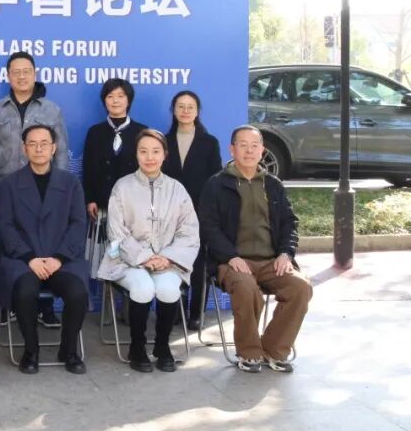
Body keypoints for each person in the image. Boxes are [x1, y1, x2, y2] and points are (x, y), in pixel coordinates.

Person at [199, 125, 312, 373]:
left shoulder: (272, 184)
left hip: (272, 261)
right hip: (232, 262)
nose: (249, 151)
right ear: (232, 149)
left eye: (254, 146)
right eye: (243, 145)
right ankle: (249, 353)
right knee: (247, 288)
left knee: (300, 288)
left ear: (262, 150)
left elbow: (290, 223)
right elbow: (208, 227)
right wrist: (230, 256)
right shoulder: (217, 184)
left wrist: (286, 253)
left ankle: (274, 350)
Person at [97, 129, 199, 373]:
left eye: (155, 151)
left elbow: (189, 232)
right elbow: (116, 234)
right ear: (136, 154)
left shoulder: (177, 189)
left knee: (168, 289)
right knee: (143, 288)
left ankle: (162, 347)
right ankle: (137, 347)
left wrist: (167, 257)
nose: (149, 157)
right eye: (143, 151)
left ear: (165, 154)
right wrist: (143, 258)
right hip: (126, 260)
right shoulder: (122, 187)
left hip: (168, 260)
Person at [0, 51, 69, 327]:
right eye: (16, 72)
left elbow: (62, 152)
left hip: (45, 189)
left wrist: (61, 189)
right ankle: (6, 306)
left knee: (45, 244)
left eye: (26, 71)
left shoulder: (51, 110)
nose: (21, 76)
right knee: (7, 247)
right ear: (8, 76)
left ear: (34, 73)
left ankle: (45, 307)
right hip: (6, 190)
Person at [0, 125, 89, 375]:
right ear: (24, 148)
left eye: (44, 143)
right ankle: (31, 351)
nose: (39, 149)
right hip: (23, 259)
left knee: (78, 292)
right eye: (32, 144)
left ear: (54, 148)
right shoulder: (10, 184)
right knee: (25, 291)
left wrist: (59, 258)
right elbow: (5, 225)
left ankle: (69, 350)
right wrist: (29, 258)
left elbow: (78, 223)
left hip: (63, 260)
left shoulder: (70, 183)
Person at [161, 90, 223, 330]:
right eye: (180, 106)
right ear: (173, 110)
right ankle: (176, 310)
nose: (185, 111)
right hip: (170, 212)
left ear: (197, 111)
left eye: (190, 107)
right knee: (174, 261)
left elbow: (215, 180)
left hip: (200, 212)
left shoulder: (209, 142)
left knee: (198, 264)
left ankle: (196, 313)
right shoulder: (164, 141)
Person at [82, 78, 147, 223]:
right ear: (104, 101)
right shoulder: (95, 132)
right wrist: (90, 199)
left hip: (134, 204)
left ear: (128, 100)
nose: (115, 101)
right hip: (102, 205)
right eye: (110, 96)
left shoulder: (141, 132)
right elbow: (88, 168)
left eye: (120, 96)